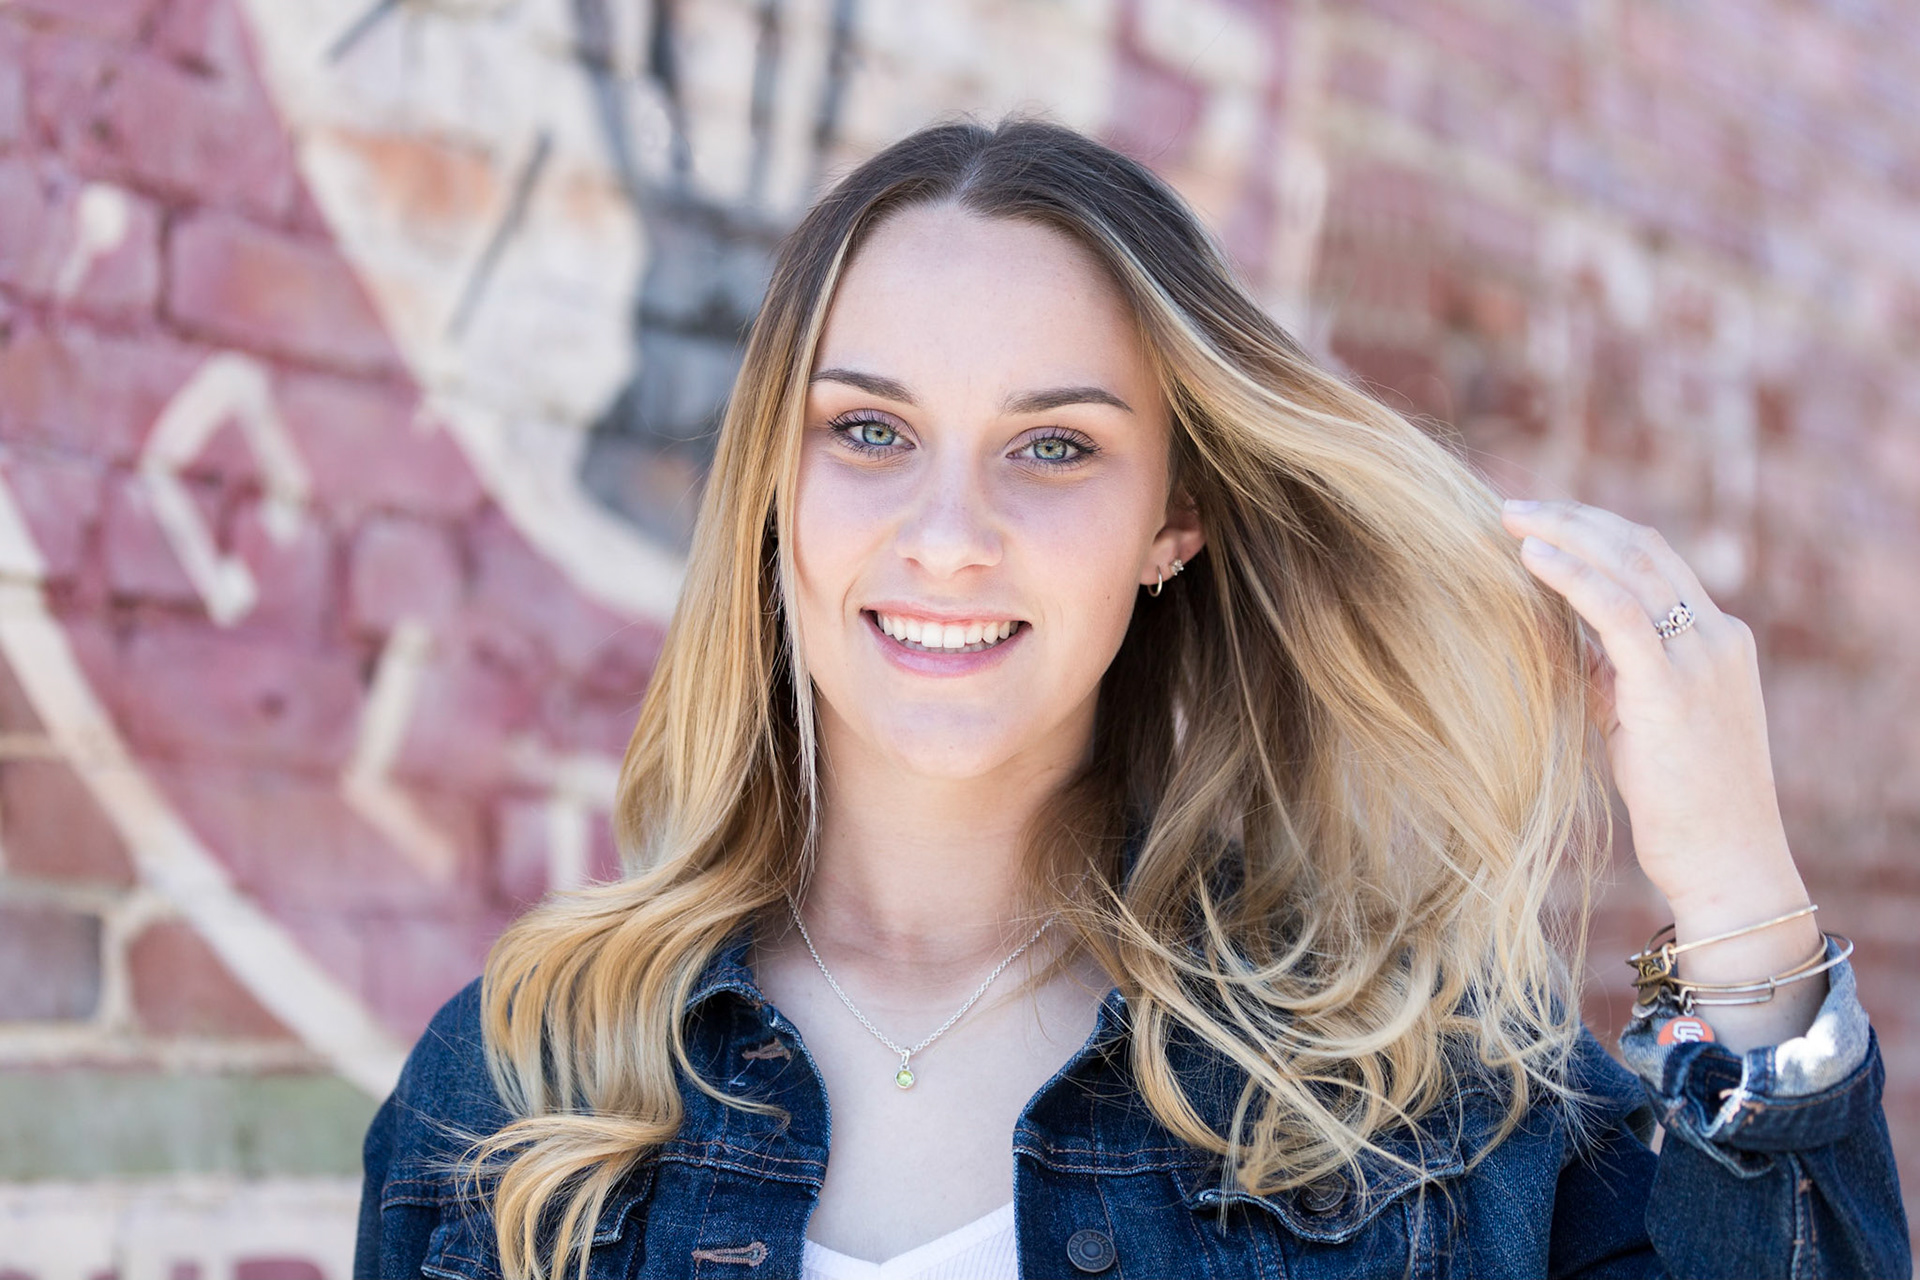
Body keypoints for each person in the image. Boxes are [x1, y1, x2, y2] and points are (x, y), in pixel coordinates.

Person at [353, 118, 1907, 1280]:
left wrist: (1741, 904)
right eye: (871, 433)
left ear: (1177, 521)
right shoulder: (524, 1087)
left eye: (1056, 447)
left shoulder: (1414, 1095)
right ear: (772, 483)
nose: (948, 537)